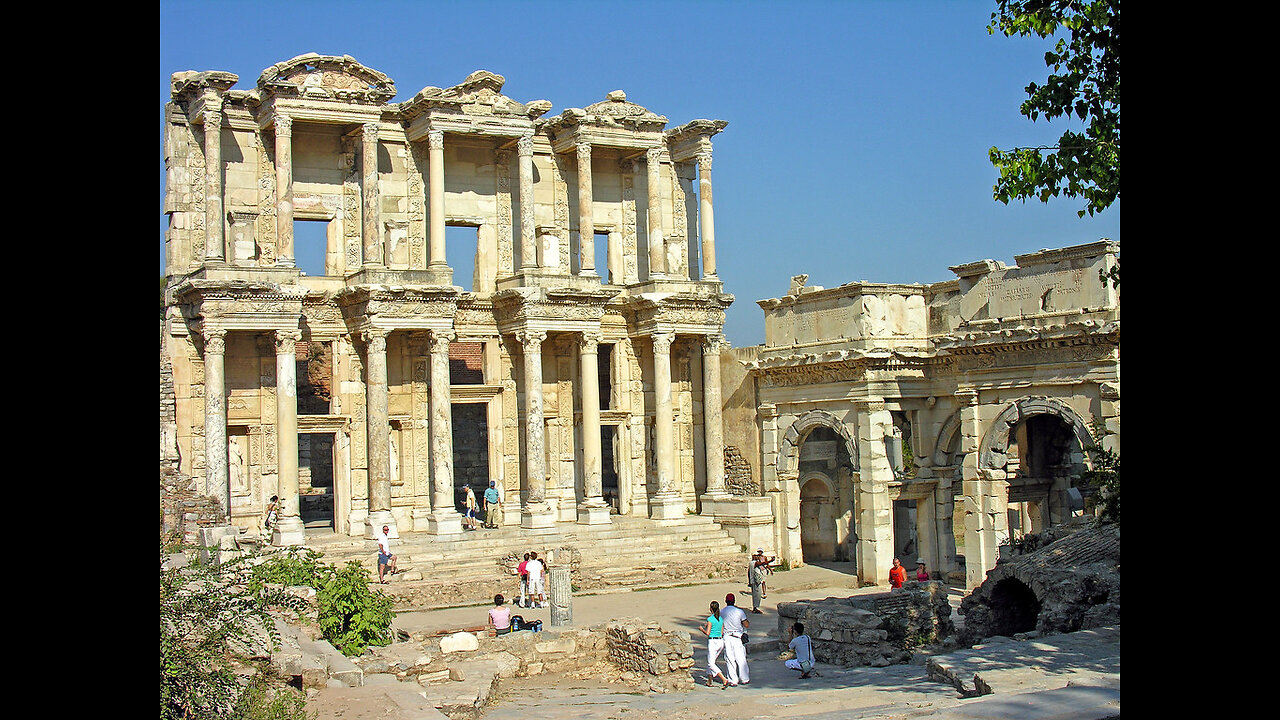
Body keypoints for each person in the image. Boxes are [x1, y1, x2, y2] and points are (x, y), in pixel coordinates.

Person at [720, 592, 750, 686]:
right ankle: (744, 678)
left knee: (730, 659)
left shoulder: (722, 612)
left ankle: (733, 680)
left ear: (726, 601)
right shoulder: (739, 611)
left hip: (727, 637)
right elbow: (746, 624)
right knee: (741, 658)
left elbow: (721, 625)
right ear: (734, 601)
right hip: (738, 637)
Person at [700, 600, 730, 688]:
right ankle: (709, 681)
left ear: (711, 609)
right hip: (720, 641)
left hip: (713, 642)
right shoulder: (720, 619)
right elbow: (722, 631)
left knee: (711, 663)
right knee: (711, 661)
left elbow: (708, 633)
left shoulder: (710, 619)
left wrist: (702, 629)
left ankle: (724, 679)